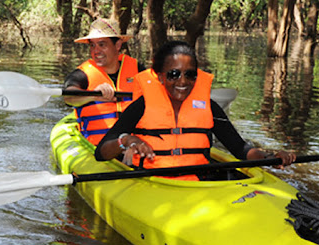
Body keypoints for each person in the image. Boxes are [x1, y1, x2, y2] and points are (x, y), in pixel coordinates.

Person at [95, 41, 296, 180]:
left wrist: (268, 156)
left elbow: (241, 149)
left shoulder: (209, 107)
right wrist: (127, 140)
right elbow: (101, 153)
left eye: (190, 74)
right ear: (160, 77)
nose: (182, 81)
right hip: (151, 182)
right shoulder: (142, 106)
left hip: (197, 184)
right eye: (174, 74)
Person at [63, 18, 146, 145]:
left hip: (134, 145)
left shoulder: (137, 69)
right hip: (97, 146)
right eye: (92, 45)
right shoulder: (82, 73)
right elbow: (68, 96)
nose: (96, 51)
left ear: (117, 45)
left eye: (102, 44)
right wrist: (93, 95)